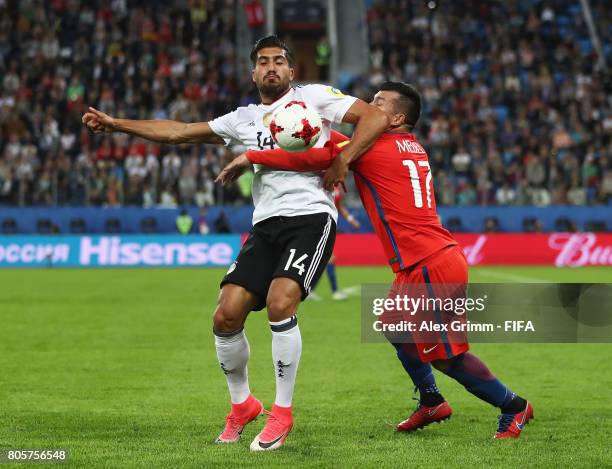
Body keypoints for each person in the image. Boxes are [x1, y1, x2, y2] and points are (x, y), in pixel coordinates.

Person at [82, 35, 389, 451]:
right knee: (225, 316)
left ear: (291, 71)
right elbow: (177, 132)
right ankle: (242, 405)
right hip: (264, 225)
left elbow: (373, 117)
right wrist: (118, 124)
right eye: (263, 61)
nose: (271, 67)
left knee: (281, 303)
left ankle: (282, 413)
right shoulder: (241, 120)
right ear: (253, 72)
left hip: (311, 216)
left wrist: (343, 159)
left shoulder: (315, 98)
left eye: (279, 60)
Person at [217, 81, 533, 439]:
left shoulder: (373, 149)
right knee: (394, 327)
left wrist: (251, 156)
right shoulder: (410, 147)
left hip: (430, 263)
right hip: (423, 259)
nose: (367, 107)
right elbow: (330, 147)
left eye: (378, 103)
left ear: (397, 118)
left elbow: (311, 155)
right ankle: (431, 400)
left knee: (446, 355)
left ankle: (514, 406)